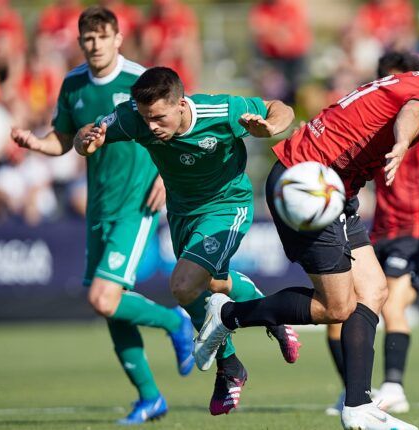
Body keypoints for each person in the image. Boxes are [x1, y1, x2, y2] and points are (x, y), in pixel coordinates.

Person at [194, 40, 419, 430]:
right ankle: (228, 314)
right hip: (308, 184)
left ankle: (358, 407)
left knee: (374, 292)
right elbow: (413, 114)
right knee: (336, 307)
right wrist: (400, 142)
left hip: (328, 187)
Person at [73, 66, 298, 416]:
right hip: (181, 213)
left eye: (159, 117)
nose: (151, 126)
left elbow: (280, 107)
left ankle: (229, 368)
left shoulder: (220, 111)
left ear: (181, 104)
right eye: (146, 118)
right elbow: (86, 137)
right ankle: (269, 314)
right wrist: (88, 142)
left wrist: (270, 127)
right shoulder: (133, 117)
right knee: (211, 283)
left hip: (226, 207)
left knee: (182, 286)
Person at [10, 7, 194, 425]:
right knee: (107, 305)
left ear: (118, 38)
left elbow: (179, 125)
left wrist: (168, 177)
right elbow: (64, 139)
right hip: (99, 207)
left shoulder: (140, 81)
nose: (94, 45)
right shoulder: (74, 84)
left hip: (136, 204)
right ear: (81, 43)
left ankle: (174, 322)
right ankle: (150, 397)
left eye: (101, 36)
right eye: (87, 39)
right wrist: (37, 144)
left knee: (102, 297)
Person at [324, 51, 419, 416]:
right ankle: (354, 392)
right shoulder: (376, 125)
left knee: (394, 305)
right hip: (375, 232)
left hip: (413, 231)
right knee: (338, 317)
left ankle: (395, 387)